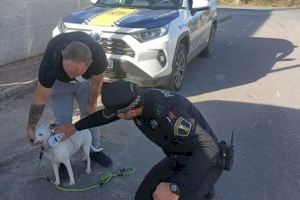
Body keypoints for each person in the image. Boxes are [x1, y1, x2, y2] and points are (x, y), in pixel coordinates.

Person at [55, 80, 222, 200]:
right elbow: (105, 117)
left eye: (118, 114)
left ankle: (203, 191)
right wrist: (75, 127)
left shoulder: (169, 112)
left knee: (172, 196)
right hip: (178, 157)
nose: (116, 116)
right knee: (144, 195)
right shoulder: (135, 99)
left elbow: (210, 148)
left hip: (205, 162)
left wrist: (176, 188)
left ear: (132, 112)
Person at [26, 32, 112, 170]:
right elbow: (40, 97)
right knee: (62, 120)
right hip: (59, 85)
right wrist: (30, 126)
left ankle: (95, 149)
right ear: (62, 56)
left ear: (90, 63)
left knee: (90, 115)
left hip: (85, 83)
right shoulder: (51, 59)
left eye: (75, 73)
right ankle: (63, 159)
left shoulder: (98, 56)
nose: (71, 77)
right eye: (69, 71)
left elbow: (97, 82)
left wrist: (91, 103)